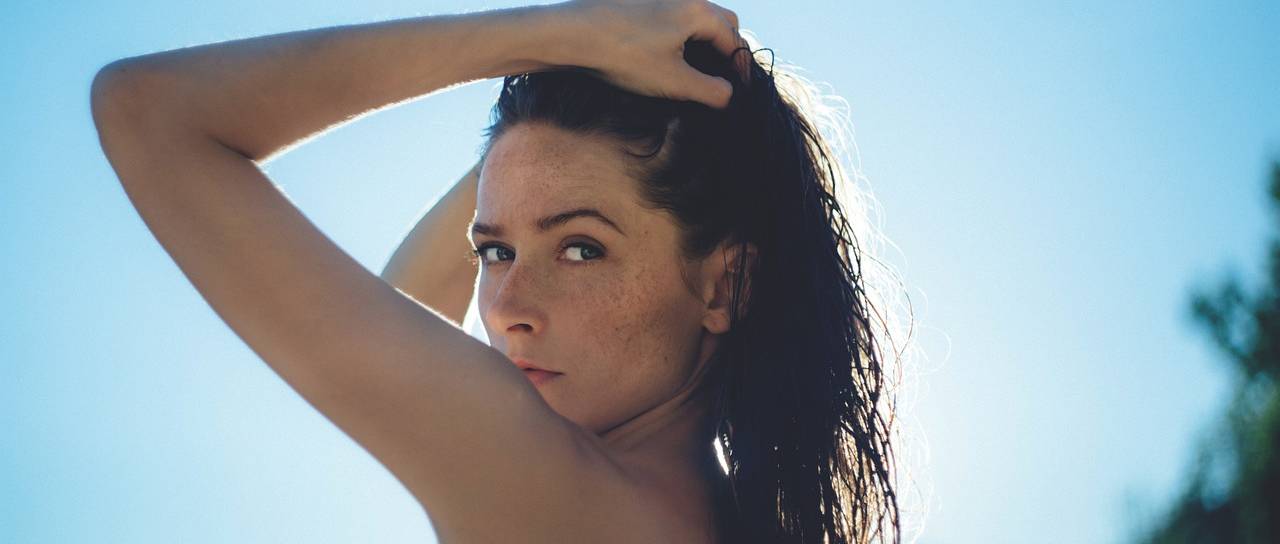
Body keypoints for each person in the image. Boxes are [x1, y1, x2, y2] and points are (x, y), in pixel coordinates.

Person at [90, 1, 910, 542]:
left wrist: (564, 33)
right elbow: (403, 307)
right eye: (494, 252)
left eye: (581, 249)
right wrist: (570, 89)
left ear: (726, 285)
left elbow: (148, 108)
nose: (509, 307)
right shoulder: (717, 517)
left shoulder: (557, 491)